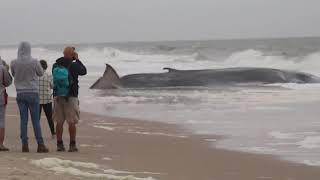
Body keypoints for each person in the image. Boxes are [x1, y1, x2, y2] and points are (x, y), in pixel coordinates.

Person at [11, 42, 49, 153]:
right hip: (33, 92)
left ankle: (25, 145)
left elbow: (14, 75)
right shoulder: (34, 61)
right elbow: (41, 73)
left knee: (24, 120)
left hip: (20, 93)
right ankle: (40, 144)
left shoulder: (14, 62)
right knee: (35, 120)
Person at [53, 47, 87, 152]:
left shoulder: (56, 65)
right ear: (72, 54)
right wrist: (77, 59)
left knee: (59, 122)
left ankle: (59, 144)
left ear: (63, 54)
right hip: (71, 96)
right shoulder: (74, 65)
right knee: (71, 122)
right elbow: (84, 71)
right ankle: (72, 145)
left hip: (58, 95)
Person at [39, 60, 56, 138]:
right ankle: (53, 133)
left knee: (37, 118)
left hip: (37, 99)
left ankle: (38, 134)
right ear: (45, 66)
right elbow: (52, 86)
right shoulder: (49, 75)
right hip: (47, 99)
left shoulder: (34, 75)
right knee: (49, 117)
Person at [0, 57, 12, 151]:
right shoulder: (2, 68)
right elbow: (8, 82)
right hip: (1, 97)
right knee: (1, 120)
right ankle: (0, 144)